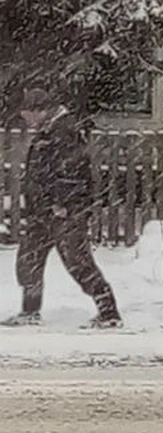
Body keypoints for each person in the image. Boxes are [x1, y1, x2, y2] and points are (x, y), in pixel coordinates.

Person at [2, 87, 122, 328]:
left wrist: (63, 203)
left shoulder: (65, 131)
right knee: (29, 258)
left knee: (78, 261)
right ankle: (30, 310)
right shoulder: (48, 131)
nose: (26, 120)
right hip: (43, 211)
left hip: (64, 211)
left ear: (40, 111)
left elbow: (72, 171)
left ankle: (109, 312)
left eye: (27, 114)